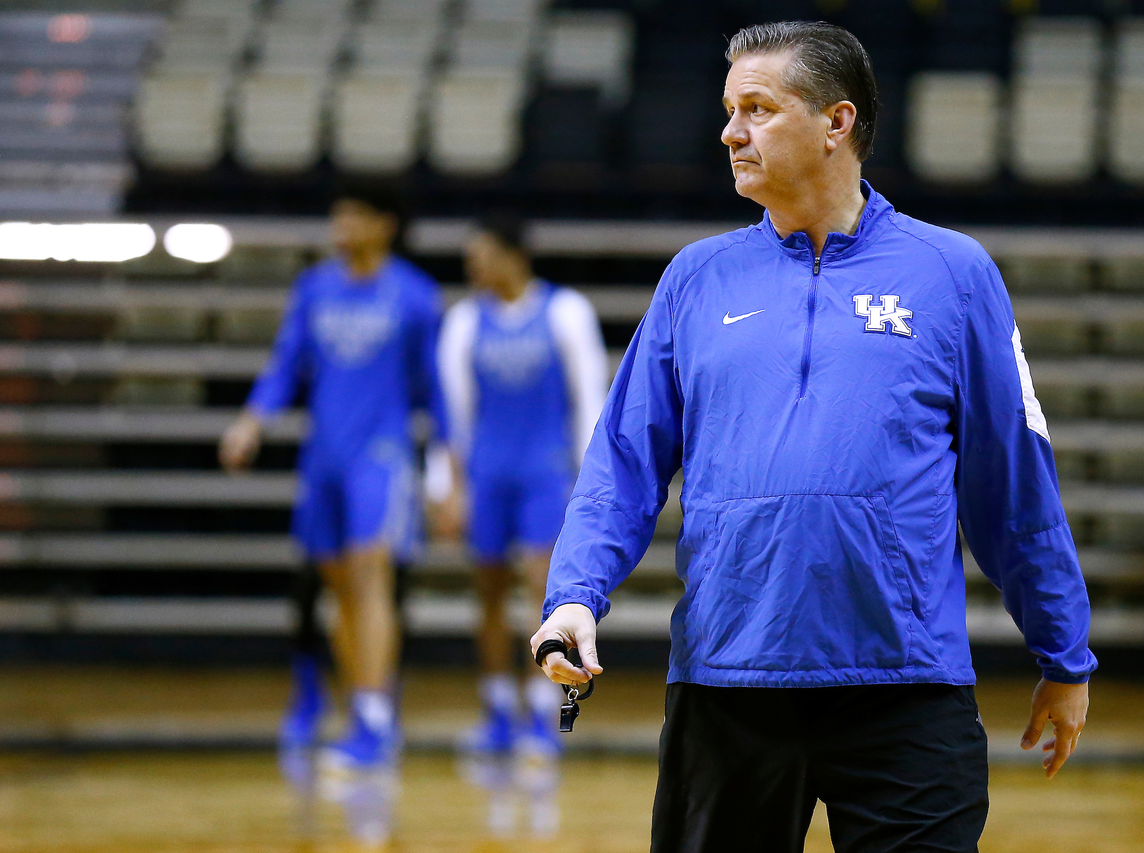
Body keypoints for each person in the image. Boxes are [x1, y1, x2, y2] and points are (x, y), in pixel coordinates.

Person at [530, 21, 1096, 853]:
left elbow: (1011, 480)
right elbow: (622, 463)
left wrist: (1063, 652)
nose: (730, 132)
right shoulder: (696, 277)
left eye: (757, 108)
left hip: (907, 685)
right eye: (729, 109)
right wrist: (574, 596)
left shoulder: (953, 274)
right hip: (729, 681)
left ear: (837, 122)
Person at [219, 185, 451, 774]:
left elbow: (438, 390)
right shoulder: (314, 288)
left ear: (384, 223)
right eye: (337, 211)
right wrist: (251, 420)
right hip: (323, 454)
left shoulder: (416, 296)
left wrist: (447, 471)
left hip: (381, 455)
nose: (339, 222)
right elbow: (284, 364)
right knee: (339, 588)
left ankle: (374, 715)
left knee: (372, 576)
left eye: (352, 213)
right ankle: (362, 708)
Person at [435, 213, 606, 835]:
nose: (474, 268)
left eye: (482, 256)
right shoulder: (461, 322)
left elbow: (591, 400)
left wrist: (589, 485)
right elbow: (453, 412)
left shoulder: (565, 313)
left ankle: (544, 712)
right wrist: (445, 488)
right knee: (486, 594)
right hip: (486, 474)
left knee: (543, 592)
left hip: (544, 473)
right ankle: (496, 710)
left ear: (513, 257)